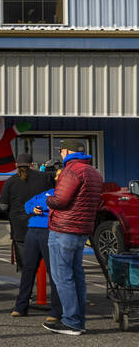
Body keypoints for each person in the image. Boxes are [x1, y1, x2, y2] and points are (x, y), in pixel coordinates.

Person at [44, 139, 104, 335]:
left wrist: (49, 200)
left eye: (61, 150)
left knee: (62, 276)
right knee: (77, 275)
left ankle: (71, 321)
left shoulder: (71, 170)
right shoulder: (93, 171)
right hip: (81, 228)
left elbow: (61, 200)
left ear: (68, 151)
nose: (60, 154)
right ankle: (78, 320)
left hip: (64, 228)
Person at [11, 185, 62, 324]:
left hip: (49, 231)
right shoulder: (45, 193)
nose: (58, 179)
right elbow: (28, 204)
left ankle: (57, 310)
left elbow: (55, 204)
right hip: (32, 231)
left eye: (60, 176)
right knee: (28, 269)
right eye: (57, 176)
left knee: (53, 271)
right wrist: (32, 208)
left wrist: (40, 205)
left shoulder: (64, 193)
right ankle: (21, 306)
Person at [0, 154, 51, 268]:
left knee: (24, 262)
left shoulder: (10, 182)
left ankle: (26, 277)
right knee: (44, 255)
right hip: (41, 221)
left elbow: (3, 205)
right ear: (32, 164)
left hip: (19, 224)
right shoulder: (45, 177)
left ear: (16, 165)